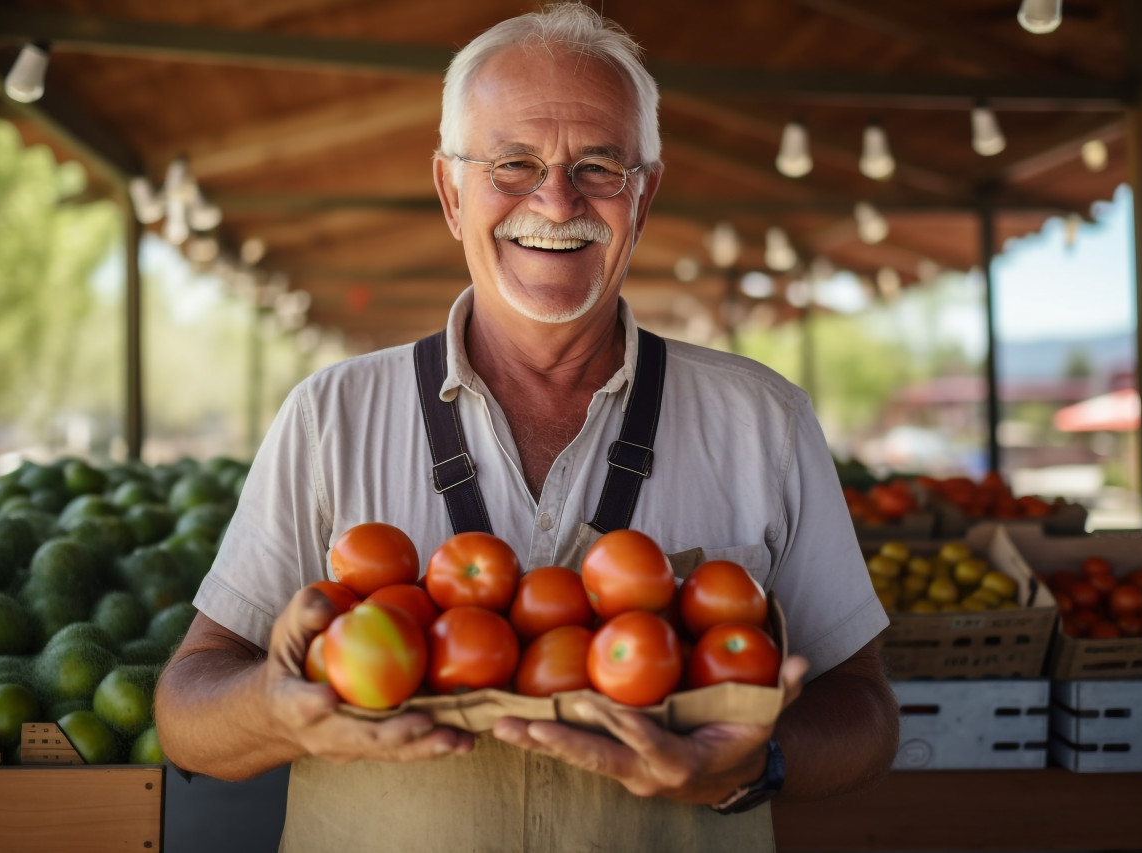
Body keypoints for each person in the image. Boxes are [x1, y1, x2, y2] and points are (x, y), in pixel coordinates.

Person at [155, 4, 899, 850]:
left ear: (643, 195)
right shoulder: (331, 417)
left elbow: (866, 715)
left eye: (599, 165)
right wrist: (275, 709)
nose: (554, 198)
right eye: (512, 162)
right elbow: (187, 712)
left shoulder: (763, 420)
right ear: (450, 191)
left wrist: (754, 764)